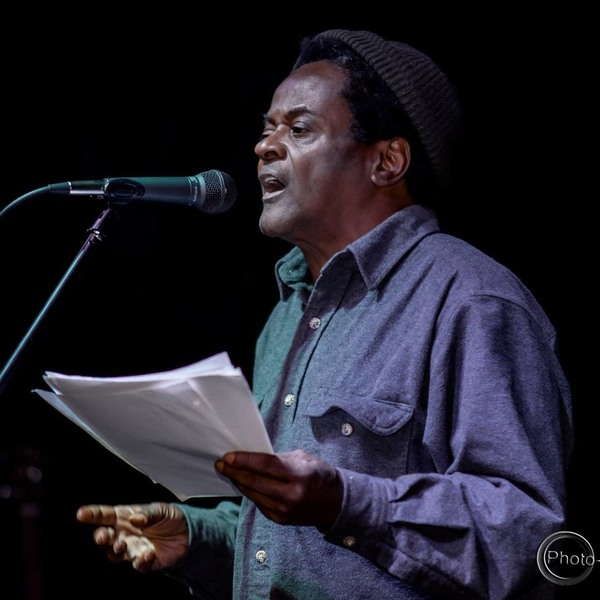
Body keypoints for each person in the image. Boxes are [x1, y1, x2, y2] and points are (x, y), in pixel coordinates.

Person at [76, 29, 574, 599]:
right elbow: (290, 540)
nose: (265, 147)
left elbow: (526, 539)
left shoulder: (471, 300)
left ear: (387, 161)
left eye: (299, 129)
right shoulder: (289, 312)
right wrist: (198, 537)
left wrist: (343, 501)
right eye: (266, 129)